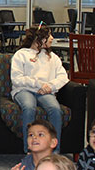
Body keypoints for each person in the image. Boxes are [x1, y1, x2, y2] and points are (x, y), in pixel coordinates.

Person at [10, 24, 68, 152]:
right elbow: (17, 79)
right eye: (49, 36)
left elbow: (63, 77)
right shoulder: (21, 54)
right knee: (29, 107)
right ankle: (29, 150)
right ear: (39, 39)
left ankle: (54, 150)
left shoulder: (52, 57)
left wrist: (50, 86)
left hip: (45, 91)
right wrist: (38, 84)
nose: (52, 38)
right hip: (23, 90)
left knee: (55, 109)